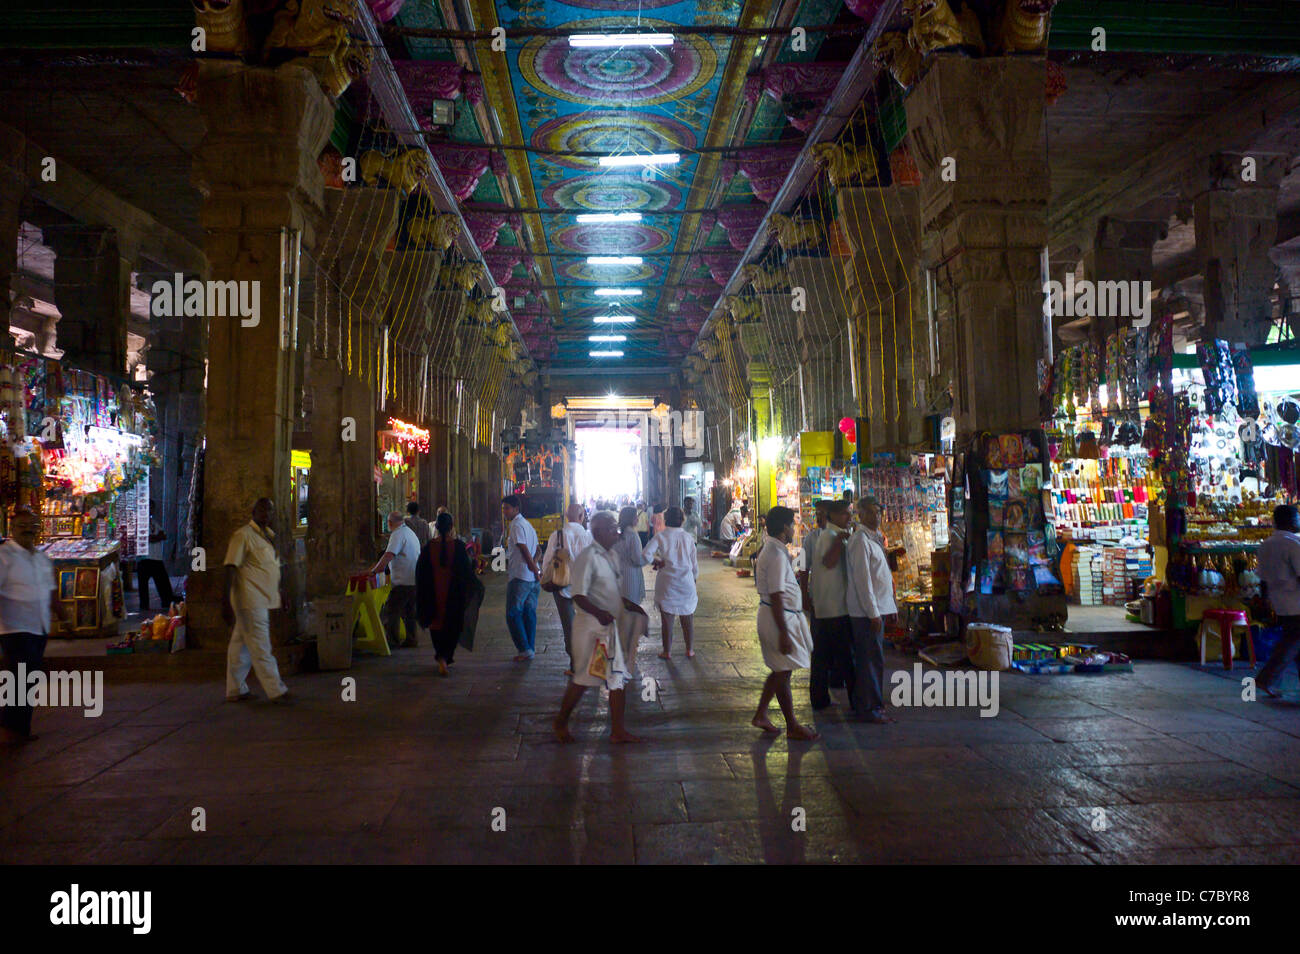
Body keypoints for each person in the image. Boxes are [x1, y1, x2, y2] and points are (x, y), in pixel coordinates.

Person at [553, 511, 644, 744]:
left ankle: (617, 730)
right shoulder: (588, 557)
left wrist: (629, 606)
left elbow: (611, 591)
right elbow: (578, 595)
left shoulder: (610, 556)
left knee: (617, 678)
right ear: (598, 532)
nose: (617, 531)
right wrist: (600, 613)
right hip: (593, 630)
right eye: (612, 528)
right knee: (584, 680)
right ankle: (561, 721)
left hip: (609, 628)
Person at [0, 506, 69, 741]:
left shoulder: (41, 557)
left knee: (30, 677)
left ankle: (20, 728)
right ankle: (10, 728)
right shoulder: (4, 557)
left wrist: (64, 616)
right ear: (13, 529)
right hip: (14, 627)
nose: (28, 530)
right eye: (22, 526)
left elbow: (51, 591)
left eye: (32, 527)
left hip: (38, 626)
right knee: (20, 676)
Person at [751, 506, 819, 741]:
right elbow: (777, 595)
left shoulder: (775, 549)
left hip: (778, 615)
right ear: (783, 528)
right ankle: (789, 724)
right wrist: (783, 633)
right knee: (782, 670)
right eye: (792, 524)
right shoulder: (776, 554)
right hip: (776, 617)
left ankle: (767, 716)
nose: (794, 528)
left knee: (782, 671)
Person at [222, 497, 290, 703]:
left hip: (263, 596)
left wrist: (281, 592)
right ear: (253, 512)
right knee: (260, 644)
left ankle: (235, 688)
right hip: (249, 599)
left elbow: (271, 568)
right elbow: (230, 567)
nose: (265, 514)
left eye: (269, 510)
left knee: (240, 644)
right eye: (261, 510)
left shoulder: (269, 537)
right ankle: (276, 689)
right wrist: (224, 600)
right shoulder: (243, 535)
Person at [845, 497, 897, 723]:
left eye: (879, 512)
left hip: (875, 610)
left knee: (872, 659)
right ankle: (869, 708)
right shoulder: (860, 541)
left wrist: (888, 606)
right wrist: (873, 612)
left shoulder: (873, 539)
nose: (877, 516)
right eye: (873, 512)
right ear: (861, 514)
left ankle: (870, 703)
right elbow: (863, 580)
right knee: (870, 660)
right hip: (866, 614)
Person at [416, 512, 475, 676]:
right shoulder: (458, 546)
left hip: (433, 594)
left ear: (436, 527)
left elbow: (420, 573)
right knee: (452, 627)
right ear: (451, 527)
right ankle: (446, 656)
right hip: (453, 595)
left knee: (436, 625)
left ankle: (440, 656)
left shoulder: (428, 548)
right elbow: (466, 572)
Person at [809, 500, 856, 709]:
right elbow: (827, 562)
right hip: (834, 607)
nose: (849, 518)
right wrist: (840, 541)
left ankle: (820, 698)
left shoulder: (828, 535)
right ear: (833, 515)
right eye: (845, 514)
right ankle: (858, 701)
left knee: (823, 656)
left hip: (826, 606)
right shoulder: (829, 536)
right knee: (845, 657)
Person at [541, 503, 593, 675]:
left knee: (569, 626)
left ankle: (575, 665)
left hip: (563, 585)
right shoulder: (589, 537)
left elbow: (547, 560)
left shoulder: (558, 535)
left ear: (566, 516)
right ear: (582, 517)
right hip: (586, 587)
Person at [643, 505, 700, 658]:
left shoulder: (660, 536)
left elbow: (645, 554)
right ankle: (690, 649)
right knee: (687, 617)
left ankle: (667, 651)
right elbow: (694, 564)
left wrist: (656, 561)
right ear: (682, 520)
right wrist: (694, 580)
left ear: (666, 520)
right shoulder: (688, 538)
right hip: (686, 582)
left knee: (667, 619)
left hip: (667, 582)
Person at [1256, 504, 1300, 698]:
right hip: (1295, 600)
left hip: (1280, 601)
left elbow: (1262, 578)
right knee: (1291, 642)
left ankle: (1268, 679)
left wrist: (1266, 599)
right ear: (1292, 520)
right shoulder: (1293, 544)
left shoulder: (1266, 544)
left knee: (1294, 641)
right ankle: (1266, 678)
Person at [368, 511, 422, 649]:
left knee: (391, 610)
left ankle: (392, 640)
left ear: (390, 523)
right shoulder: (410, 533)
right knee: (409, 612)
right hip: (413, 579)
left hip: (402, 581)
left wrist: (375, 570)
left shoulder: (397, 534)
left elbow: (388, 555)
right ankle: (411, 639)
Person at [502, 494, 541, 661]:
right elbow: (538, 550)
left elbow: (524, 549)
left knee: (513, 613)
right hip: (531, 577)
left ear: (516, 509)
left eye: (507, 508)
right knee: (529, 613)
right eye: (503, 509)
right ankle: (529, 649)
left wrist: (532, 568)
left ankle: (524, 649)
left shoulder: (516, 525)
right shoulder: (528, 525)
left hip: (521, 576)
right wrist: (536, 568)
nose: (504, 512)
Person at [137, 502, 174, 612]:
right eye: (149, 508)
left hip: (156, 557)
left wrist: (156, 537)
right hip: (144, 558)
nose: (151, 510)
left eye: (152, 508)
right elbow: (146, 538)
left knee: (163, 582)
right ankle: (144, 605)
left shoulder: (153, 522)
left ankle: (167, 602)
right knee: (143, 585)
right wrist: (156, 537)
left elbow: (163, 535)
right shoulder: (140, 522)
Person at [614, 505, 649, 605]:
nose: (637, 518)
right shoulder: (633, 535)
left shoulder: (618, 533)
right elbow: (637, 559)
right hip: (631, 575)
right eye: (635, 516)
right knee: (631, 606)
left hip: (618, 573)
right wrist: (649, 558)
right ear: (630, 519)